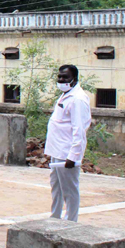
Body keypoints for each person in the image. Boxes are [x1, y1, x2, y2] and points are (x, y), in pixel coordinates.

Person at [45, 64, 91, 222]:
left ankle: (71, 221)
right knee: (56, 188)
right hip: (56, 151)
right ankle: (55, 217)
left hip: (66, 153)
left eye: (65, 77)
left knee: (70, 190)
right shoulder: (66, 94)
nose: (61, 80)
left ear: (74, 79)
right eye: (59, 77)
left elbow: (79, 130)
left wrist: (74, 156)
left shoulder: (78, 99)